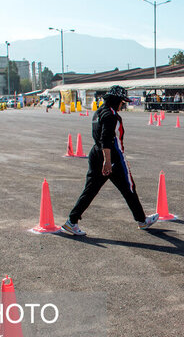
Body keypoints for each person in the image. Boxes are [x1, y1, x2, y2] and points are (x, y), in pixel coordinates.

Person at [62, 85, 158, 236]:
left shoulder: (99, 112)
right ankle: (142, 220)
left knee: (90, 190)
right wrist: (108, 161)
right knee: (129, 187)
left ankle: (71, 221)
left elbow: (99, 137)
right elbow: (106, 139)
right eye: (122, 101)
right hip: (112, 157)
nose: (123, 104)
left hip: (96, 154)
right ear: (116, 100)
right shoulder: (111, 115)